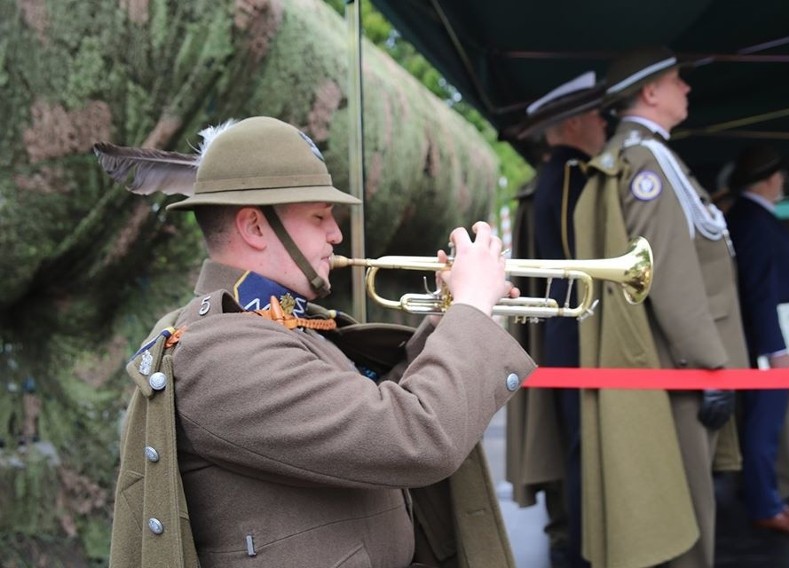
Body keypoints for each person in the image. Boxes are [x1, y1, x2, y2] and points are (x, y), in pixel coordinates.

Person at [104, 116, 536, 567]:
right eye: (319, 216)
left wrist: (447, 315)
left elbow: (372, 405)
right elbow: (414, 436)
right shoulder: (221, 353)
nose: (336, 234)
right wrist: (470, 307)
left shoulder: (280, 325)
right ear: (254, 227)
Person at [572, 46, 748, 568]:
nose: (686, 89)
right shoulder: (646, 160)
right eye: (678, 80)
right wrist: (710, 364)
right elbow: (668, 273)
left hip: (677, 362)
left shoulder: (650, 153)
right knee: (683, 509)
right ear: (650, 91)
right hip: (681, 364)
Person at [504, 71, 606, 568]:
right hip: (580, 327)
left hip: (565, 327)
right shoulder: (572, 175)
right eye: (597, 116)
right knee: (585, 445)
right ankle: (586, 542)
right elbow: (577, 260)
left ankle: (574, 535)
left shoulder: (555, 173)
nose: (604, 124)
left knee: (577, 443)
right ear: (574, 124)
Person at [724, 144, 789, 536]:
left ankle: (768, 499)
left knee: (765, 427)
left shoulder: (753, 219)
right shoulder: (755, 222)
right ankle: (765, 504)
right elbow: (762, 291)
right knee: (763, 428)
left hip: (777, 340)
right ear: (770, 178)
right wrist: (778, 350)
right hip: (770, 346)